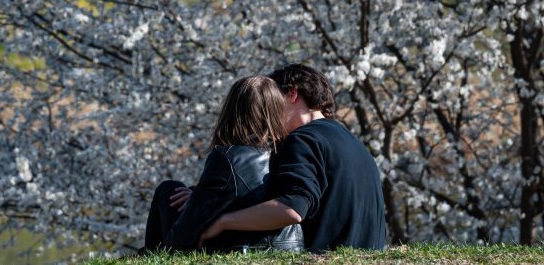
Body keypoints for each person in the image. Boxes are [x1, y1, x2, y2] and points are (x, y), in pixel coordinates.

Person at [198, 64, 386, 253]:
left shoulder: (304, 139)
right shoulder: (351, 141)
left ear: (292, 93)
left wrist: (224, 221)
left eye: (273, 101)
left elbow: (292, 207)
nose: (268, 113)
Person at [142, 77, 304, 254]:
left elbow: (182, 237)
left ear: (232, 111)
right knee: (185, 193)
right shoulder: (291, 151)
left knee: (168, 190)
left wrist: (197, 208)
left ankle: (149, 255)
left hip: (244, 249)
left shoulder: (229, 158)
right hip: (289, 247)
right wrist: (197, 197)